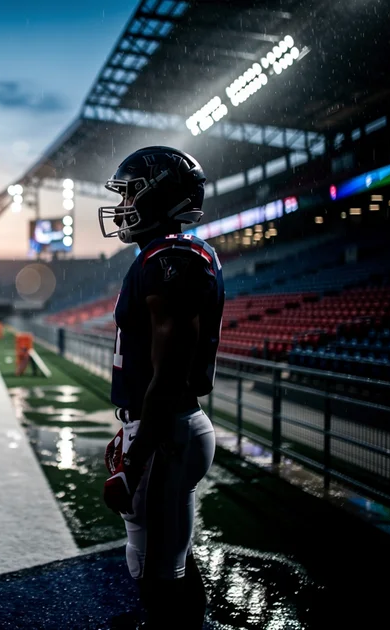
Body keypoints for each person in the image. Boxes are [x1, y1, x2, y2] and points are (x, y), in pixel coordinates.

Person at [98, 146, 224, 629]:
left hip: (168, 431)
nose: (125, 204)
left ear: (161, 196)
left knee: (157, 574)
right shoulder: (159, 255)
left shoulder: (173, 256)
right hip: (162, 427)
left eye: (132, 192)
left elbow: (168, 374)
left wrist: (137, 453)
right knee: (161, 560)